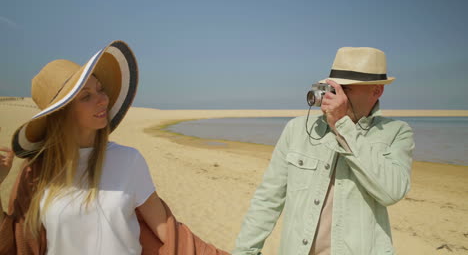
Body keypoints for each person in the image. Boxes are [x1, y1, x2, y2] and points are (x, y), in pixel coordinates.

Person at [0, 41, 228, 255]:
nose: (102, 100)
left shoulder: (129, 160)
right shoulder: (35, 174)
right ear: (62, 114)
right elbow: (14, 245)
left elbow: (171, 234)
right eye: (86, 96)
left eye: (100, 89)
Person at [233, 47, 415, 255]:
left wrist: (342, 127)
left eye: (346, 89)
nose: (335, 95)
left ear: (376, 91)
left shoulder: (397, 132)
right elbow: (268, 199)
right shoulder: (297, 129)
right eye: (333, 87)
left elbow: (391, 192)